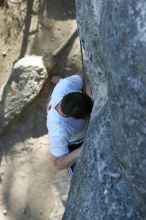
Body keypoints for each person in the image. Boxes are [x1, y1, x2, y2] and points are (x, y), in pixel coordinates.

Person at [47, 74, 93, 176]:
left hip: (82, 131)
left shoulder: (65, 85)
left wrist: (89, 94)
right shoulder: (59, 131)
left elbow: (82, 78)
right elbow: (57, 163)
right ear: (72, 118)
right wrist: (80, 150)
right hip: (76, 143)